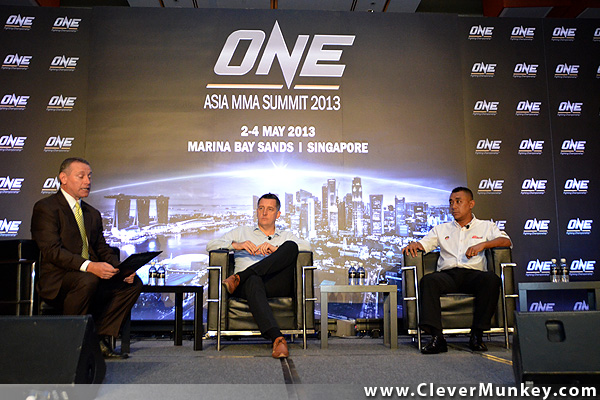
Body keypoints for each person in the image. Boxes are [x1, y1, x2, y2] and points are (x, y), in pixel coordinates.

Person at [31, 157, 142, 359]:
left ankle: (98, 338)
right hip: (59, 279)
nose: (87, 181)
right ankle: (72, 342)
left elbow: (101, 248)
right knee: (88, 279)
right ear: (63, 178)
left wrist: (121, 269)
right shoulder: (46, 208)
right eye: (81, 176)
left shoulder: (92, 213)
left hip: (89, 276)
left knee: (132, 284)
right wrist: (89, 266)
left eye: (89, 176)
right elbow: (52, 251)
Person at [402, 186, 511, 354]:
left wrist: (483, 245)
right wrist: (415, 245)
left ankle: (477, 335)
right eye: (451, 202)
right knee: (429, 281)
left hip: (474, 275)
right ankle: (437, 338)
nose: (453, 206)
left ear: (471, 204)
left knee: (492, 279)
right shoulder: (441, 229)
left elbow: (506, 241)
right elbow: (424, 244)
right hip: (448, 275)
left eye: (458, 202)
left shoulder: (486, 226)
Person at [206, 193, 311, 358]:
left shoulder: (285, 235)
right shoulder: (241, 232)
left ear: (278, 214)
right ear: (256, 211)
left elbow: (307, 246)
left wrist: (276, 249)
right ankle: (278, 339)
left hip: (274, 284)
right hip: (247, 287)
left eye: (270, 209)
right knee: (253, 280)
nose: (264, 213)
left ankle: (240, 276)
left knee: (291, 246)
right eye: (261, 208)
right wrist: (237, 245)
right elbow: (211, 245)